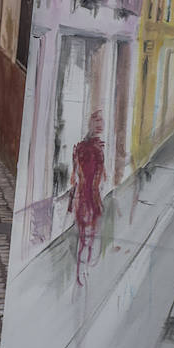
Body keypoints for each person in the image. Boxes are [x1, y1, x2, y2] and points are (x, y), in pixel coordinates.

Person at [69, 112, 106, 285]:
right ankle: (81, 268)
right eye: (96, 121)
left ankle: (83, 266)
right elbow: (77, 175)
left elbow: (100, 175)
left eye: (101, 122)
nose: (100, 125)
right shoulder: (84, 148)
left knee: (88, 232)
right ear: (90, 123)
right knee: (85, 232)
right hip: (85, 195)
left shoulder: (97, 148)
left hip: (91, 194)